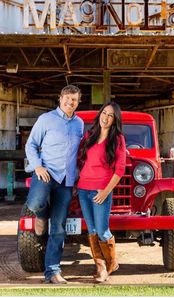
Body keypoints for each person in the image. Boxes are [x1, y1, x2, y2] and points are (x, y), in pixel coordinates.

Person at [25, 85, 84, 284]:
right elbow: (31, 144)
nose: (70, 103)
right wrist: (38, 167)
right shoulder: (46, 119)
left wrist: (78, 178)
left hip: (66, 180)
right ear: (60, 99)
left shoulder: (79, 124)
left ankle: (53, 271)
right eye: (67, 98)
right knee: (34, 204)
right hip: (46, 173)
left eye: (74, 100)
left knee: (58, 227)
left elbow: (79, 152)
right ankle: (41, 216)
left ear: (78, 102)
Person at [77, 101, 126, 283]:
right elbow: (79, 158)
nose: (105, 117)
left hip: (101, 191)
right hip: (83, 189)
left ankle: (111, 263)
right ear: (100, 115)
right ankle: (101, 268)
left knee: (103, 231)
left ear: (115, 120)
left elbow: (119, 170)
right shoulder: (89, 135)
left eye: (110, 115)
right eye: (104, 113)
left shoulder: (118, 139)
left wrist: (105, 192)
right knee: (91, 231)